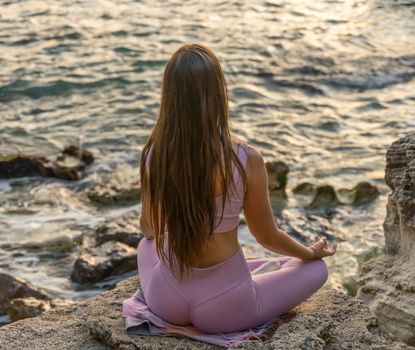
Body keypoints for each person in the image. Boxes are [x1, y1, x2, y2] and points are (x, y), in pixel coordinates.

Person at [136, 43, 337, 334]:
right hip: (226, 307)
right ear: (219, 93)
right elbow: (267, 235)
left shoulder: (154, 153)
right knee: (316, 269)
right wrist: (309, 253)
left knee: (146, 246)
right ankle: (266, 270)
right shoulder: (245, 159)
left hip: (167, 300)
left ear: (169, 97)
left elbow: (150, 229)